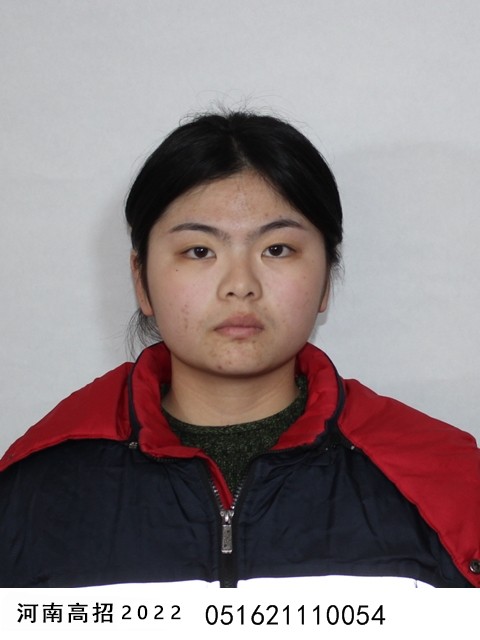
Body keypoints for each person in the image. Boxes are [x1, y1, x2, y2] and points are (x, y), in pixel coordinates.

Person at [0, 110, 478, 588]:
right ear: (141, 280)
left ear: (326, 280)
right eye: (199, 251)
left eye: (277, 249)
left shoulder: (448, 480)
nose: (240, 284)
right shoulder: (32, 489)